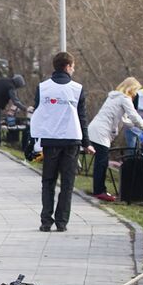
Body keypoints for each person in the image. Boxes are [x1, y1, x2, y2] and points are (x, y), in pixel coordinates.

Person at [30, 51, 94, 232]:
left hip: (49, 140)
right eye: (73, 66)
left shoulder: (43, 88)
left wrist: (35, 138)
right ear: (67, 67)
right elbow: (82, 117)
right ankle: (62, 222)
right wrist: (86, 142)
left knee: (48, 181)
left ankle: (45, 220)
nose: (73, 69)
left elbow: (37, 113)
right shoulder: (77, 88)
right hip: (71, 140)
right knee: (67, 184)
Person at [87, 77, 143, 201]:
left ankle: (98, 189)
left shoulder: (113, 97)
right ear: (131, 89)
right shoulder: (125, 99)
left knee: (100, 162)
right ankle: (99, 191)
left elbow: (125, 119)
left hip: (96, 129)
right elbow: (133, 115)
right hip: (101, 132)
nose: (136, 94)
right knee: (102, 163)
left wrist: (138, 127)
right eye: (136, 90)